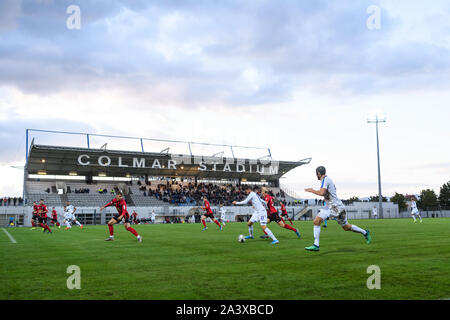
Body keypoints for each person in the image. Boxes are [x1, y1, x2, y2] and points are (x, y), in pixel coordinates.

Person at [304, 166, 371, 251]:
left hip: (336, 208)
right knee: (320, 222)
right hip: (333, 207)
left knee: (344, 227)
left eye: (316, 174)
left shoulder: (325, 179)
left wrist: (312, 190)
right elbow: (327, 193)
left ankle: (365, 232)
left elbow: (322, 192)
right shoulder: (326, 180)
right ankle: (316, 245)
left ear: (318, 173)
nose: (316, 175)